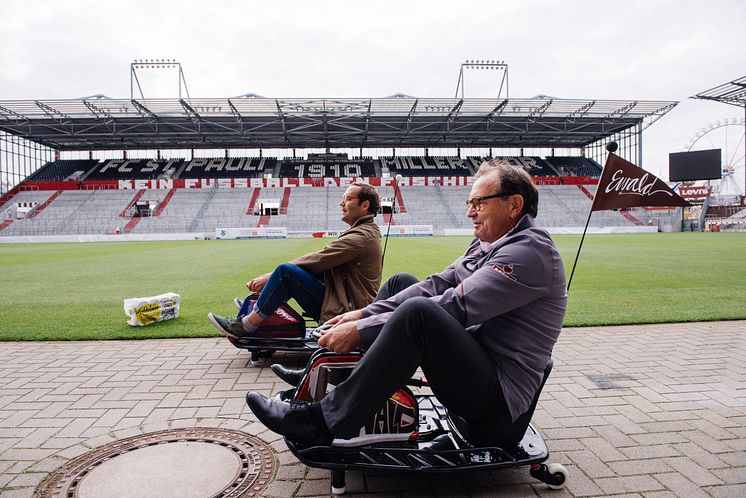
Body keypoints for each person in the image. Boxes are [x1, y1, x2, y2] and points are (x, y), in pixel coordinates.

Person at [246, 160, 567, 447]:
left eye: (479, 203)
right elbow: (436, 284)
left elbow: (456, 305)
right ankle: (338, 371)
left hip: (497, 403)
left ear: (514, 205)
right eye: (470, 203)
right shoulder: (488, 244)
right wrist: (363, 314)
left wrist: (361, 329)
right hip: (478, 366)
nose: (470, 211)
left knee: (420, 314)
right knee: (403, 283)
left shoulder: (530, 252)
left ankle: (322, 422)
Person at [208, 182, 382, 339]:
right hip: (345, 300)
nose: (341, 203)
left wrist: (271, 277)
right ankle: (264, 305)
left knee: (285, 273)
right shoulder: (365, 232)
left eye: (348, 198)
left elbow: (319, 258)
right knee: (295, 274)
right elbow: (321, 264)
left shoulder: (362, 237)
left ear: (365, 205)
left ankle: (248, 325)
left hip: (346, 309)